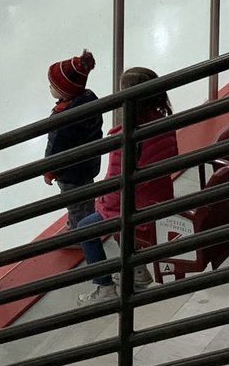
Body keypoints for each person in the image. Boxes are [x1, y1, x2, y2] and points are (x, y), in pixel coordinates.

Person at [75, 67, 178, 305]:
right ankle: (138, 270)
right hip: (159, 202)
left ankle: (104, 287)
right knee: (119, 212)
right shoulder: (165, 124)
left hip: (139, 212)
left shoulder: (125, 137)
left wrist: (99, 204)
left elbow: (114, 187)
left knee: (86, 228)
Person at [43, 49, 102, 229]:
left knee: (75, 204)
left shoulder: (62, 118)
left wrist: (49, 171)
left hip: (70, 173)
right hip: (89, 165)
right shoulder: (90, 100)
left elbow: (55, 149)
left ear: (64, 90)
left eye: (52, 85)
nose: (49, 88)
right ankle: (87, 223)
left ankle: (80, 233)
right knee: (86, 199)